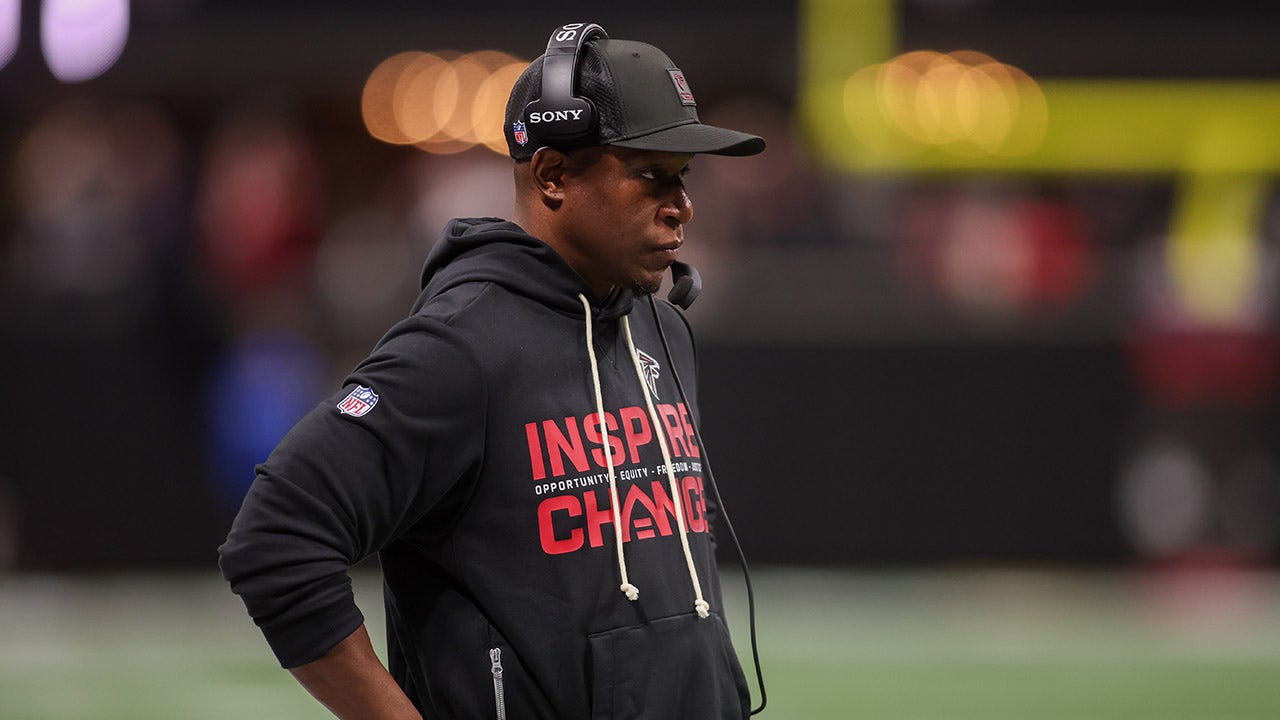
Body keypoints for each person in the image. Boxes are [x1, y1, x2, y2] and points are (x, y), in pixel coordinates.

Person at [219, 21, 765, 720]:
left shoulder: (663, 330)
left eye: (682, 176)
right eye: (651, 175)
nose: (682, 205)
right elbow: (277, 536)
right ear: (552, 174)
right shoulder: (460, 349)